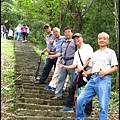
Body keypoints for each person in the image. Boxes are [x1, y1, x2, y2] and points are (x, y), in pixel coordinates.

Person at [76, 32, 118, 120]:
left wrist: (105, 72)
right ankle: (79, 118)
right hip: (92, 79)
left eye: (104, 38)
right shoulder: (94, 54)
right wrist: (86, 73)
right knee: (80, 100)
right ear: (97, 40)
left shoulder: (110, 52)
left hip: (104, 79)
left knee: (103, 105)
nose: (102, 40)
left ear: (107, 41)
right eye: (100, 38)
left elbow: (115, 67)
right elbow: (92, 68)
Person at [58, 33, 93, 118]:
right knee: (72, 87)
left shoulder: (87, 47)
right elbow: (74, 65)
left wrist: (82, 67)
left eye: (78, 38)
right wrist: (64, 66)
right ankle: (69, 106)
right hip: (81, 73)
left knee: (88, 91)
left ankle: (87, 113)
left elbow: (89, 59)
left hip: (89, 71)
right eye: (74, 39)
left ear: (82, 38)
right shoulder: (77, 52)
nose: (76, 40)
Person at [49, 27, 77, 100]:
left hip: (72, 61)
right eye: (65, 32)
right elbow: (60, 53)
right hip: (63, 61)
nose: (67, 33)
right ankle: (58, 94)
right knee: (61, 78)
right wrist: (54, 56)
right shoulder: (63, 42)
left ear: (71, 33)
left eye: (69, 32)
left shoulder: (75, 42)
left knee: (72, 79)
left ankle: (72, 96)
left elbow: (78, 53)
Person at [44, 27, 69, 91]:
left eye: (57, 31)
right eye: (54, 32)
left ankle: (63, 87)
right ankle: (52, 85)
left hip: (66, 57)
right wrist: (51, 54)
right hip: (59, 57)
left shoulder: (64, 38)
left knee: (64, 73)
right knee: (56, 72)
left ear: (59, 32)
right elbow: (55, 51)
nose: (56, 33)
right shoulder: (54, 42)